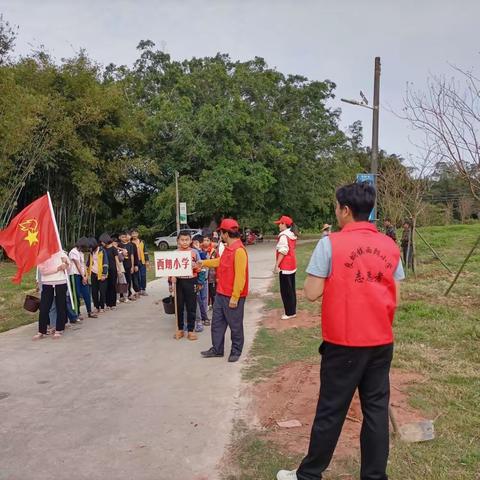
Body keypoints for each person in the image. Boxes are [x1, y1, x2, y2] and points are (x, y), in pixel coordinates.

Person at [277, 182, 405, 480]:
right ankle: (374, 476)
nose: (336, 212)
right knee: (375, 411)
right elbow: (397, 296)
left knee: (331, 410)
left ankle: (309, 475)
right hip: (381, 342)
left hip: (344, 342)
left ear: (346, 210)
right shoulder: (390, 244)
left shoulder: (330, 243)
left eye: (337, 207)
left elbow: (310, 292)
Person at [198, 219, 249, 363]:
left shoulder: (239, 250)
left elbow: (240, 277)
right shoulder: (228, 248)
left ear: (226, 233)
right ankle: (217, 349)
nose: (219, 234)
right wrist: (204, 262)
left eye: (221, 232)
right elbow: (220, 262)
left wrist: (235, 297)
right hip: (221, 293)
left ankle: (236, 350)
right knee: (217, 323)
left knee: (235, 324)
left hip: (233, 295)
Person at [169, 230, 199, 341]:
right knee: (179, 306)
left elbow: (200, 267)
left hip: (191, 281)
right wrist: (171, 279)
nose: (184, 242)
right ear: (178, 241)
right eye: (182, 240)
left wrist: (195, 266)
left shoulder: (195, 253)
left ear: (191, 240)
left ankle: (191, 330)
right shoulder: (174, 253)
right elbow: (170, 268)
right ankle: (180, 329)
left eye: (187, 240)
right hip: (179, 282)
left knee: (191, 306)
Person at [33, 251, 70, 340]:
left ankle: (59, 329)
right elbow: (43, 271)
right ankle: (41, 331)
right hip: (47, 283)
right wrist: (58, 268)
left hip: (61, 282)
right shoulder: (42, 254)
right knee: (44, 307)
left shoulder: (62, 253)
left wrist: (67, 264)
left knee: (61, 306)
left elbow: (69, 270)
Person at [274, 215, 298, 320]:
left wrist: (277, 265)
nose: (279, 225)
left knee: (285, 290)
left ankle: (289, 312)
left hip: (285, 266)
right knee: (291, 289)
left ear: (284, 224)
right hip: (292, 265)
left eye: (280, 223)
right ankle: (292, 310)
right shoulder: (291, 234)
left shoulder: (284, 236)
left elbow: (283, 251)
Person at [69, 237, 97, 318]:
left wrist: (86, 275)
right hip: (74, 275)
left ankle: (89, 311)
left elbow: (83, 264)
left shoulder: (81, 252)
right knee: (76, 294)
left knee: (86, 293)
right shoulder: (73, 252)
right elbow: (77, 265)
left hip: (82, 275)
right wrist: (83, 276)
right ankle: (77, 313)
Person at [87, 238, 108, 314]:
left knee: (102, 291)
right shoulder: (91, 252)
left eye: (91, 247)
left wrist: (104, 274)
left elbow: (105, 262)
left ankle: (102, 306)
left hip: (101, 274)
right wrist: (86, 273)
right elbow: (88, 263)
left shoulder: (102, 251)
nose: (90, 249)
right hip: (93, 273)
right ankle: (96, 306)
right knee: (94, 292)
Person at [100, 233, 119, 310]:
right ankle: (107, 304)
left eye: (102, 241)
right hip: (105, 271)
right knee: (106, 287)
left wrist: (119, 270)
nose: (101, 243)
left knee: (112, 286)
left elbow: (117, 260)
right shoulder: (102, 249)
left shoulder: (113, 249)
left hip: (113, 270)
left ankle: (113, 304)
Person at [130, 228, 149, 296]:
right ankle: (138, 290)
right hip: (135, 262)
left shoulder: (142, 241)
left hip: (142, 261)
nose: (134, 235)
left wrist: (147, 260)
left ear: (138, 234)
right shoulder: (130, 243)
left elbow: (145, 251)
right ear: (131, 235)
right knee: (136, 276)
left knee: (143, 275)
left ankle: (143, 289)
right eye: (133, 233)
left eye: (136, 233)